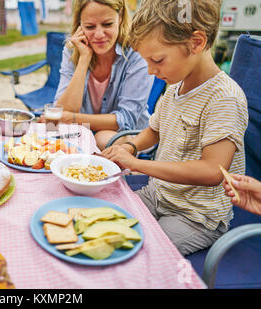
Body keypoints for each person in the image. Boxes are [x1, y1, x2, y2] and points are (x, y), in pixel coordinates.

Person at [101, 0, 249, 255]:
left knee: (139, 253)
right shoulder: (174, 88)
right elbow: (154, 131)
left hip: (196, 216)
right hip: (159, 194)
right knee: (104, 224)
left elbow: (213, 170)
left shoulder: (225, 98)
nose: (150, 71)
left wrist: (136, 164)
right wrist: (131, 145)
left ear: (196, 43)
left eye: (157, 59)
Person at [48, 0, 154, 150]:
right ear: (79, 24)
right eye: (90, 27)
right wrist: (84, 59)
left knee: (103, 139)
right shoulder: (73, 50)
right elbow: (62, 110)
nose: (98, 34)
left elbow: (126, 120)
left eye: (107, 24)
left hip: (127, 136)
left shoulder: (137, 53)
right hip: (83, 132)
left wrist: (73, 118)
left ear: (121, 17)